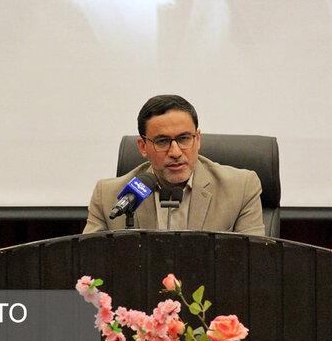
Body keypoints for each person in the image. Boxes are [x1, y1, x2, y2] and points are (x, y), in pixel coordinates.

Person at [82, 95, 265, 236]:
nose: (175, 152)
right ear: (143, 147)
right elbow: (89, 266)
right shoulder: (107, 196)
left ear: (197, 139)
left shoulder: (240, 188)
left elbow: (253, 263)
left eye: (184, 138)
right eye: (162, 141)